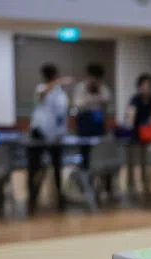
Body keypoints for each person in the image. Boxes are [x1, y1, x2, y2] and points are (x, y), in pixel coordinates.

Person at [27, 63, 70, 213]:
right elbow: (42, 95)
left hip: (56, 135)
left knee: (57, 168)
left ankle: (59, 199)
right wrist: (57, 82)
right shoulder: (41, 89)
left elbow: (62, 113)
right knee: (35, 169)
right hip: (39, 133)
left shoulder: (60, 93)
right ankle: (32, 200)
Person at [72, 63, 112, 139]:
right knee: (84, 141)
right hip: (84, 116)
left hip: (98, 116)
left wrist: (98, 91)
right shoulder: (81, 87)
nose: (94, 80)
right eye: (92, 77)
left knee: (98, 140)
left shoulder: (103, 87)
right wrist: (89, 95)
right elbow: (77, 103)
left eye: (97, 78)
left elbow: (106, 100)